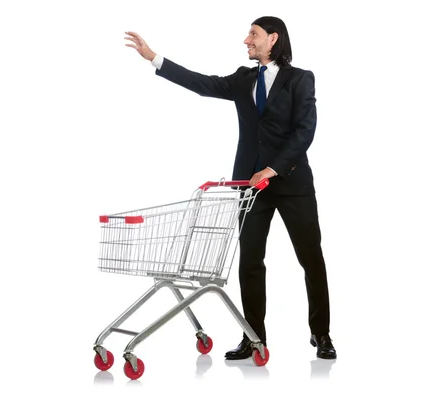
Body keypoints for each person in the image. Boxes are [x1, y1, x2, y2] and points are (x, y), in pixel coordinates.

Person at [124, 16, 336, 360]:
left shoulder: (300, 79)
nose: (246, 40)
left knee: (311, 259)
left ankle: (321, 333)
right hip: (251, 185)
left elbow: (305, 131)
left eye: (253, 34)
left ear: (273, 39)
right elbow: (203, 84)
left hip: (292, 182)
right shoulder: (243, 79)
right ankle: (253, 336)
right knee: (250, 261)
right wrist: (154, 58)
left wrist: (273, 168)